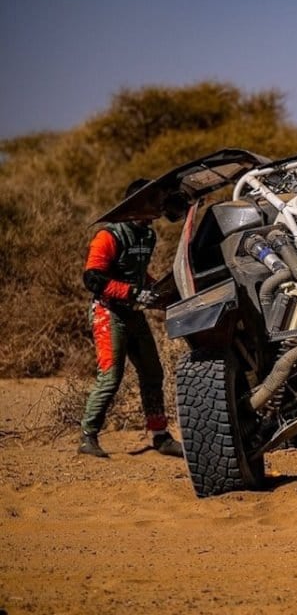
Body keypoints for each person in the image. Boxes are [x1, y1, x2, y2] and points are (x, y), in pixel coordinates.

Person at [77, 178, 183, 458]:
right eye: (155, 201)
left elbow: (137, 273)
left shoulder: (148, 236)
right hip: (108, 313)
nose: (160, 206)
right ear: (139, 204)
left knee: (153, 372)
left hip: (133, 313)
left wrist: (156, 291)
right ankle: (88, 436)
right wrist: (133, 292)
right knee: (111, 378)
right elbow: (93, 278)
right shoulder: (109, 236)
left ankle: (160, 436)